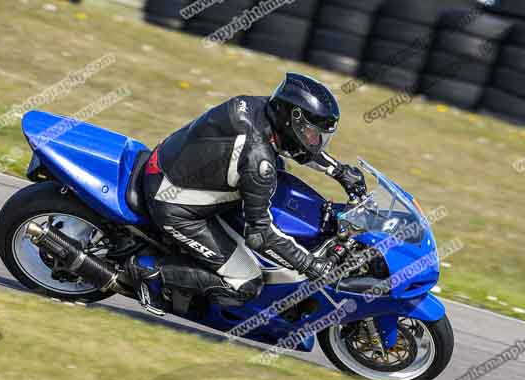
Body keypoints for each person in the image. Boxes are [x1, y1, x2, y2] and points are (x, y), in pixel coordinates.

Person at [126, 72, 367, 316]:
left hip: (172, 164)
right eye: (312, 134)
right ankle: (150, 272)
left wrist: (338, 171)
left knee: (276, 173)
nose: (315, 142)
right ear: (292, 119)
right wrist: (311, 265)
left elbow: (294, 145)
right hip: (173, 204)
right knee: (246, 283)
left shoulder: (262, 107)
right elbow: (260, 235)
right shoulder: (258, 159)